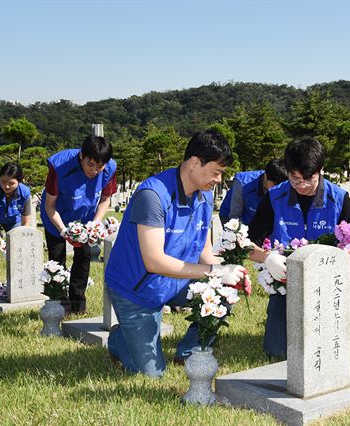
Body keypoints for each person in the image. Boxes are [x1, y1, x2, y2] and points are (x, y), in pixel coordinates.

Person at [105, 130, 246, 378]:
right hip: (138, 290)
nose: (219, 179)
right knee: (151, 374)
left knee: (224, 292)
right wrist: (216, 271)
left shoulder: (204, 196)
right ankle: (119, 339)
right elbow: (154, 261)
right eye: (216, 172)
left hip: (177, 281)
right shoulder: (153, 196)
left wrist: (226, 276)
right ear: (194, 163)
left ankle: (190, 351)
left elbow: (204, 252)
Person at [247, 137, 350, 360]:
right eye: (295, 179)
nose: (301, 186)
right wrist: (266, 258)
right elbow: (246, 241)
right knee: (277, 352)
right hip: (287, 283)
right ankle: (295, 318)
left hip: (328, 281)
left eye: (308, 180)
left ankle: (320, 321)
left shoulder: (338, 199)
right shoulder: (275, 197)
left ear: (321, 170)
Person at [40, 135, 117, 314]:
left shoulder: (109, 168)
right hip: (57, 217)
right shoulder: (59, 166)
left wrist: (94, 225)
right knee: (57, 259)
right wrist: (64, 231)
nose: (95, 171)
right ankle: (61, 305)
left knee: (83, 258)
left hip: (85, 218)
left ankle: (78, 304)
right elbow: (50, 206)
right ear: (82, 156)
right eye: (91, 165)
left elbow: (105, 198)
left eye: (100, 167)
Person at [218, 158, 287, 225]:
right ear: (265, 176)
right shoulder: (242, 183)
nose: (278, 188)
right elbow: (235, 216)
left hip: (255, 219)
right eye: (275, 185)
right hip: (231, 216)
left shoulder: (282, 183)